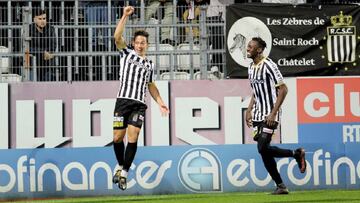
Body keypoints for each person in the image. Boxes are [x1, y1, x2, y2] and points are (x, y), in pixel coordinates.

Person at [112, 6, 170, 190]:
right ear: (133, 43)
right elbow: (116, 37)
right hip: (122, 101)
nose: (140, 45)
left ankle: (125, 172)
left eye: (143, 42)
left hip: (138, 104)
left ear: (147, 44)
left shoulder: (150, 65)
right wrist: (124, 16)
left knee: (134, 136)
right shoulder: (126, 53)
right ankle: (120, 166)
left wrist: (161, 103)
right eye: (137, 42)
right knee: (117, 138)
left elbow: (151, 85)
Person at [245, 37, 306, 195]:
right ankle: (281, 185)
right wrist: (249, 109)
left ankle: (295, 155)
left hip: (270, 114)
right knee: (264, 151)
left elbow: (283, 89)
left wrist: (273, 113)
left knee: (263, 147)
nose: (247, 48)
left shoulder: (269, 65)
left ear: (259, 50)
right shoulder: (251, 67)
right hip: (258, 114)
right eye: (248, 46)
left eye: (250, 47)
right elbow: (255, 90)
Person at [29, 8, 57, 81]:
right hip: (33, 63)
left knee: (48, 86)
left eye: (44, 18)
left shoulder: (51, 29)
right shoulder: (28, 29)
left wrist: (47, 52)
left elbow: (53, 45)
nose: (43, 21)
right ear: (34, 19)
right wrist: (42, 52)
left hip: (47, 62)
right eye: (40, 19)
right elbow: (28, 48)